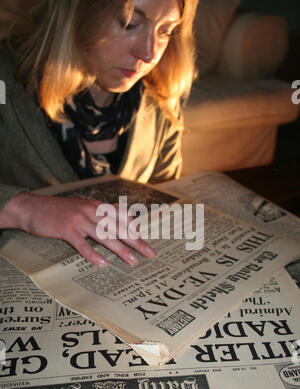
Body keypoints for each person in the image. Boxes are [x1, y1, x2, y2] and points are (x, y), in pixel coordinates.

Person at [0, 0, 198, 267]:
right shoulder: (5, 83)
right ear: (79, 12)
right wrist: (20, 209)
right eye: (131, 24)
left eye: (165, 31)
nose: (149, 54)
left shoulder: (160, 99)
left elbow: (166, 197)